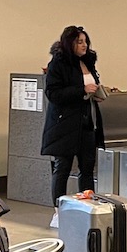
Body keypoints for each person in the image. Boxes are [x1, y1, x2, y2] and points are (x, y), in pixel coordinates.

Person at [41, 25, 104, 215]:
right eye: (79, 42)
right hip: (65, 125)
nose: (84, 45)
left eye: (85, 41)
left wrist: (97, 93)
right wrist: (81, 91)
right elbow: (53, 93)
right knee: (63, 167)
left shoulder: (88, 62)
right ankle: (59, 209)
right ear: (70, 43)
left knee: (87, 168)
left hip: (87, 122)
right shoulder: (58, 64)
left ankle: (86, 206)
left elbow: (89, 85)